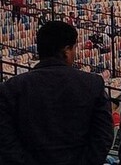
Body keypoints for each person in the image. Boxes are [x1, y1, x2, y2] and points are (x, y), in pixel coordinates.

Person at [0, 20, 113, 165]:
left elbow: (6, 140)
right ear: (66, 51)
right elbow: (103, 136)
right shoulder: (92, 84)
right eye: (74, 48)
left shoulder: (11, 88)